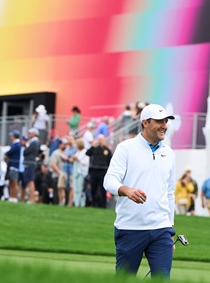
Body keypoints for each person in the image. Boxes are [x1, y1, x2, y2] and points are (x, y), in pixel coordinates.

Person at [103, 103, 177, 279]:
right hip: (130, 228)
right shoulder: (126, 148)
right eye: (159, 121)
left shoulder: (169, 154)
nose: (164, 126)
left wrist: (170, 229)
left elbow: (169, 193)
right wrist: (126, 190)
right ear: (145, 122)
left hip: (161, 229)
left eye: (166, 121)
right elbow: (109, 180)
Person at [86, 134, 112, 208]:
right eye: (99, 139)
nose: (100, 141)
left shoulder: (107, 150)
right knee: (93, 188)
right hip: (94, 170)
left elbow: (110, 161)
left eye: (101, 139)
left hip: (103, 170)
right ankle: (93, 204)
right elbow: (87, 153)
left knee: (103, 188)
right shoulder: (94, 149)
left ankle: (103, 204)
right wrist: (93, 146)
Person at [23, 128, 40, 203]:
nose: (29, 134)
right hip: (30, 163)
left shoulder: (34, 142)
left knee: (30, 181)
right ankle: (31, 199)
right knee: (29, 181)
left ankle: (31, 199)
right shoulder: (33, 142)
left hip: (30, 163)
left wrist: (25, 148)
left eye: (30, 133)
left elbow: (26, 152)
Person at [70, 138, 89, 207]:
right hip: (76, 172)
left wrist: (78, 159)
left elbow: (86, 162)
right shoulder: (78, 152)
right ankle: (76, 203)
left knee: (81, 189)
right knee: (76, 188)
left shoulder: (85, 152)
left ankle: (82, 203)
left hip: (82, 173)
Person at [5, 130, 22, 202]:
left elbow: (9, 152)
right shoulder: (15, 144)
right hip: (12, 165)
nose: (11, 137)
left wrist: (5, 155)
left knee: (14, 182)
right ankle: (11, 196)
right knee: (11, 182)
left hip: (14, 166)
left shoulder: (17, 144)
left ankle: (14, 197)